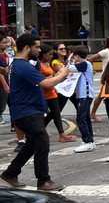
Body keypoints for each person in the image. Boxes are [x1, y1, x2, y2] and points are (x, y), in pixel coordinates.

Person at [1, 34, 72, 190]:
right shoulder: (23, 66)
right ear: (27, 48)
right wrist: (63, 74)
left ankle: (10, 174)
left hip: (27, 111)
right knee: (42, 141)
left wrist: (59, 75)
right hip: (28, 112)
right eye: (37, 47)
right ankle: (43, 181)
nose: (39, 50)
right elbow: (46, 84)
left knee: (32, 144)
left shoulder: (21, 65)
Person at [38, 45, 75, 143]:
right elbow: (40, 79)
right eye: (48, 54)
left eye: (51, 54)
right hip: (43, 92)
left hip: (52, 91)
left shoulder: (47, 63)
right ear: (42, 54)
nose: (50, 56)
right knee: (42, 113)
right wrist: (54, 76)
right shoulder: (38, 64)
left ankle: (62, 134)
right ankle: (40, 130)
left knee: (56, 112)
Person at [69, 46, 96, 153]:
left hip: (85, 95)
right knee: (85, 118)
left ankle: (87, 141)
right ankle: (90, 140)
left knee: (80, 119)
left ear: (77, 56)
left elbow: (68, 68)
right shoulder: (84, 64)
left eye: (74, 55)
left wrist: (70, 58)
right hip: (83, 95)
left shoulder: (84, 64)